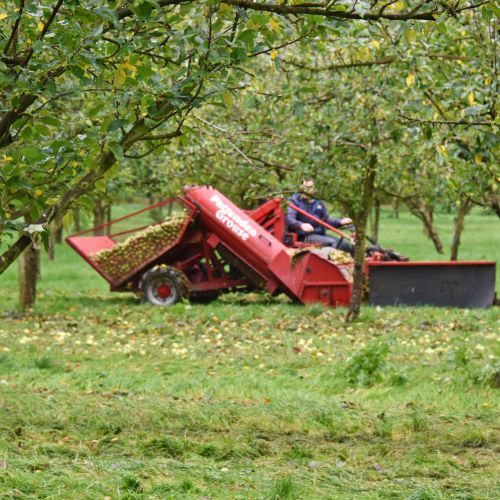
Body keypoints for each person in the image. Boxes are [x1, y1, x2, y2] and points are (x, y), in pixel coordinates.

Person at [286, 178, 354, 254]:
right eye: (304, 188)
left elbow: (327, 221)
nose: (306, 191)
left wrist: (340, 222)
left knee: (345, 245)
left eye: (309, 188)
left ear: (314, 188)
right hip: (305, 236)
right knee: (335, 245)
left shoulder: (318, 202)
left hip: (320, 233)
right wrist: (301, 225)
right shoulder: (294, 201)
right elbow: (289, 219)